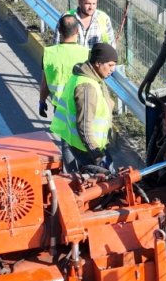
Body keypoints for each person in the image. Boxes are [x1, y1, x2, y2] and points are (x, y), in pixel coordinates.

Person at [51, 42, 119, 171]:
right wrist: (98, 156)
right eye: (110, 65)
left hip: (82, 145)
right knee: (109, 183)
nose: (113, 69)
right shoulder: (87, 87)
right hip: (88, 149)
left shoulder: (88, 78)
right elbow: (84, 126)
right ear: (98, 63)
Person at [39, 14, 90, 120]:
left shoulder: (49, 53)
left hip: (60, 106)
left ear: (59, 31)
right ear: (77, 31)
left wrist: (42, 101)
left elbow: (45, 84)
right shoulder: (87, 54)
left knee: (65, 135)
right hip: (82, 103)